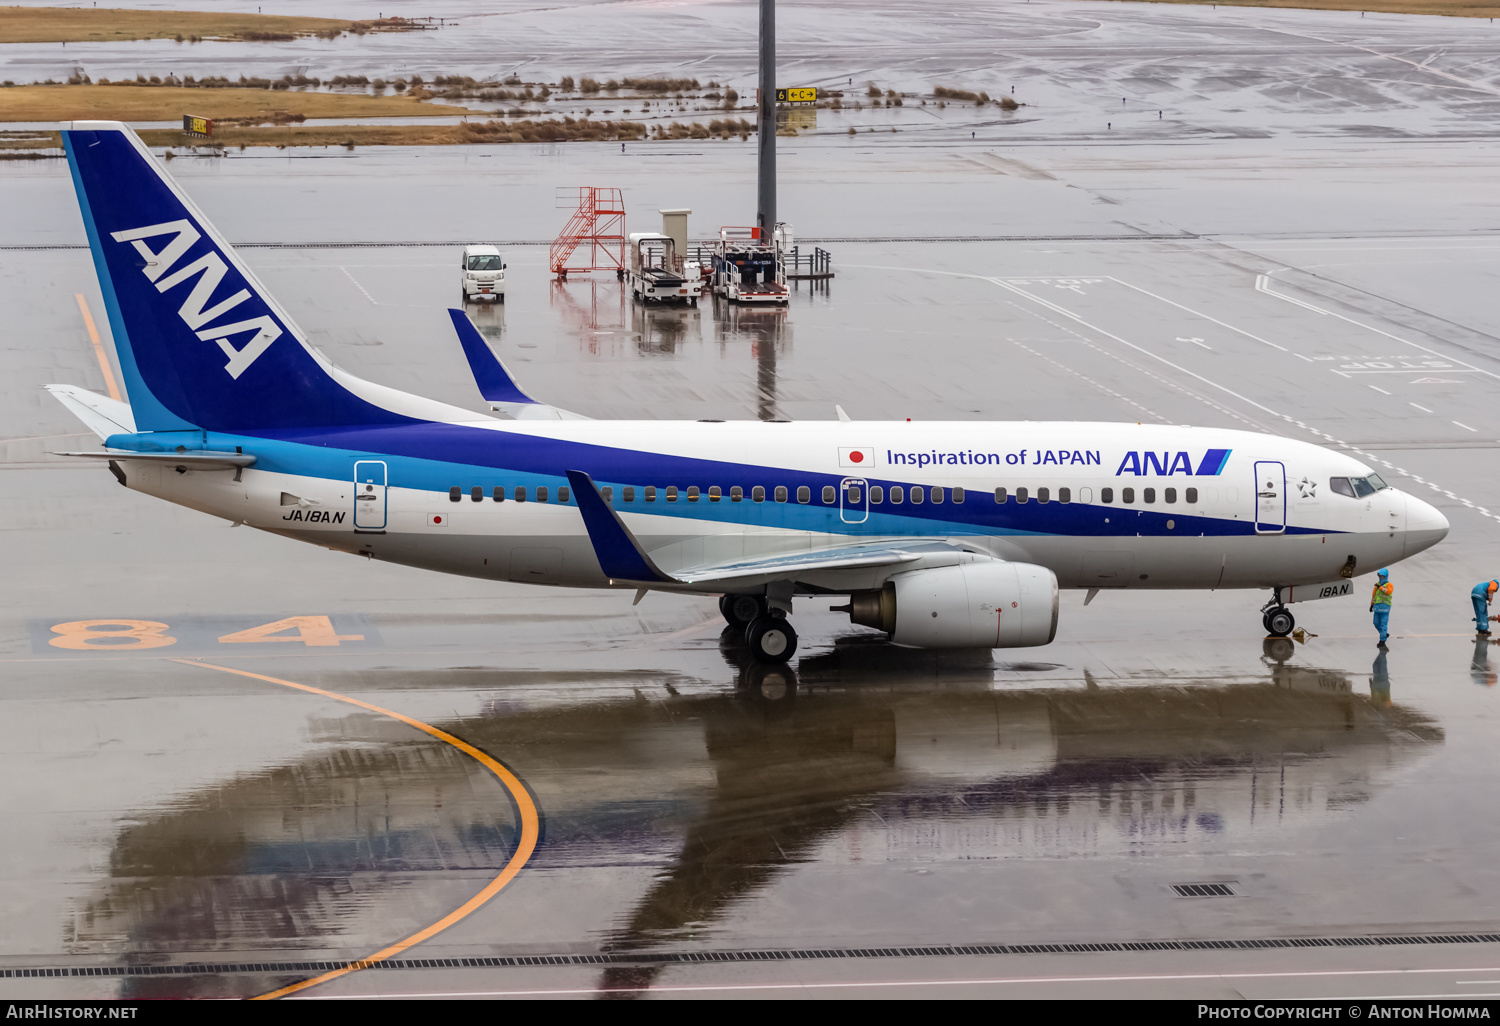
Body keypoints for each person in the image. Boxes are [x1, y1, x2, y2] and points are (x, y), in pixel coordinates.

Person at [1369, 568, 1392, 646]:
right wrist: (1371, 605)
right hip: (1377, 608)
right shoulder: (1377, 585)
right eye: (1380, 576)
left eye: (1382, 576)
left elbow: (1388, 592)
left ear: (1385, 576)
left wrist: (1380, 587)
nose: (1381, 577)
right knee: (1375, 623)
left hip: (1385, 608)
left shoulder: (1389, 585)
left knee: (1383, 624)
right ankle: (1384, 633)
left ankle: (1382, 640)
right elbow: (1374, 595)